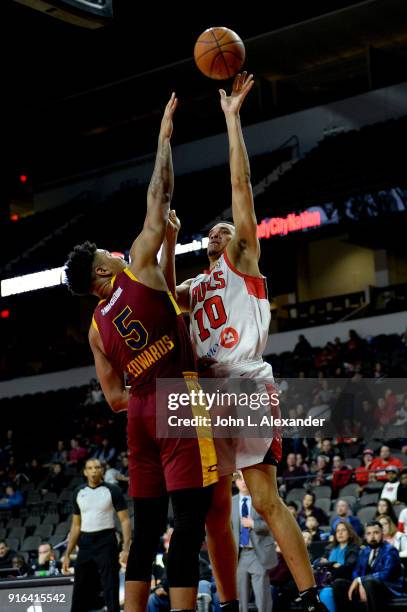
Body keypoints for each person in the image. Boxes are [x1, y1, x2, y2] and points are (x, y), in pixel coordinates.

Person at [165, 73, 327, 611]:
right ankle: (231, 601)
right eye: (210, 232)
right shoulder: (194, 285)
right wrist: (167, 241)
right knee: (212, 508)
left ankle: (307, 595)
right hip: (205, 395)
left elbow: (241, 189)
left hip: (244, 383)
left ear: (238, 240)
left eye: (225, 230)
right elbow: (160, 293)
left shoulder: (243, 261)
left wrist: (232, 119)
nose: (217, 233)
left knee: (262, 498)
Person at [64, 94, 218, 612]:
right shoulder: (134, 265)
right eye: (106, 253)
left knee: (147, 528)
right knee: (189, 524)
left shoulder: (93, 327)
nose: (113, 249)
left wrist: (146, 393)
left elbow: (113, 398)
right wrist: (163, 138)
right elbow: (161, 192)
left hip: (140, 416)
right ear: (104, 272)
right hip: (178, 397)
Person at [62, 458, 131, 612]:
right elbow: (76, 525)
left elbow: (125, 521)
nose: (94, 470)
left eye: (97, 467)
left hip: (106, 540)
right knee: (80, 587)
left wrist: (126, 548)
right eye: (90, 468)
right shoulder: (78, 492)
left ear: (102, 470)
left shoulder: (112, 490)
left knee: (110, 586)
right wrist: (68, 553)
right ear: (85, 472)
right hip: (85, 542)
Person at [332, 521, 404, 611]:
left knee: (369, 582)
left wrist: (361, 580)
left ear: (382, 533)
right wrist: (359, 581)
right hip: (368, 585)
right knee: (339, 584)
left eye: (376, 533)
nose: (372, 537)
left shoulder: (390, 550)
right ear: (365, 536)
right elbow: (356, 572)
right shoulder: (365, 551)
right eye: (369, 533)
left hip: (388, 588)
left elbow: (385, 574)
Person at [232, 471, 276, 612]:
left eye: (246, 478)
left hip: (259, 553)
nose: (243, 481)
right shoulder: (230, 502)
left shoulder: (261, 499)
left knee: (262, 597)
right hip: (240, 555)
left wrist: (254, 524)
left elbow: (273, 523)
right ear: (235, 481)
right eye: (240, 479)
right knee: (241, 598)